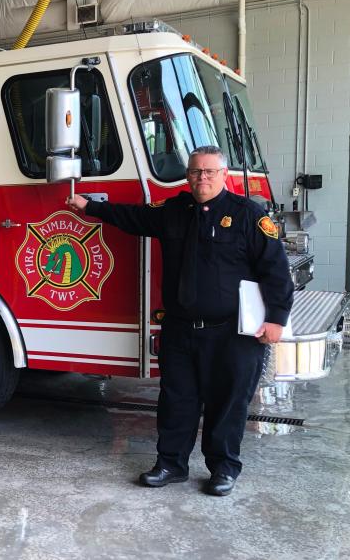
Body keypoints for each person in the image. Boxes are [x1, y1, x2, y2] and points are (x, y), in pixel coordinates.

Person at [66, 145, 293, 496]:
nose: (201, 178)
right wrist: (91, 207)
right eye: (195, 172)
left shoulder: (248, 216)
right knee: (176, 400)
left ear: (223, 175)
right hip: (181, 330)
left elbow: (276, 271)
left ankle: (223, 469)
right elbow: (133, 217)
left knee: (228, 404)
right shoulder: (173, 210)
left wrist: (276, 319)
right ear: (188, 175)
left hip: (233, 334)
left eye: (208, 172)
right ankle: (171, 465)